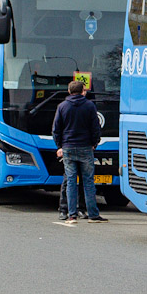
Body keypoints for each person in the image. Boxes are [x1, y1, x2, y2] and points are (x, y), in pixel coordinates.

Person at [52, 79, 105, 223]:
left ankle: (71, 215)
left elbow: (56, 129)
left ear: (69, 91)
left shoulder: (62, 106)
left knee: (70, 181)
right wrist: (94, 143)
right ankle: (93, 214)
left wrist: (59, 146)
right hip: (85, 147)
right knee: (88, 182)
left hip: (68, 147)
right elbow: (95, 127)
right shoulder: (89, 106)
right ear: (83, 91)